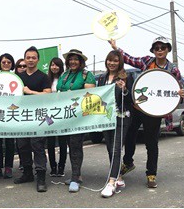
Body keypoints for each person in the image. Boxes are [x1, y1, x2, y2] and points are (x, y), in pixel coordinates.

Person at [109, 36, 184, 189]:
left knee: (151, 143)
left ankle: (151, 174)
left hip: (154, 113)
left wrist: (181, 95)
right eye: (157, 48)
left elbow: (178, 93)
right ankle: (128, 163)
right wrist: (116, 48)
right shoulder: (147, 62)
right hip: (137, 108)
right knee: (129, 136)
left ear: (168, 49)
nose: (160, 50)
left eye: (163, 47)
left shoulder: (173, 70)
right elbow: (128, 59)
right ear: (153, 51)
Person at [56, 49, 96, 193]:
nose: (73, 61)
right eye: (70, 59)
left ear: (81, 61)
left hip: (79, 117)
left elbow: (89, 96)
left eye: (76, 59)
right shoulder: (64, 75)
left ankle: (75, 178)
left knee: (76, 145)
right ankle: (76, 174)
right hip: (66, 116)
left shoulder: (87, 75)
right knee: (70, 146)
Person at [14, 47, 51, 192]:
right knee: (22, 146)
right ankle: (27, 173)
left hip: (38, 117)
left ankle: (41, 177)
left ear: (38, 60)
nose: (30, 60)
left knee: (38, 146)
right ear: (24, 59)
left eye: (33, 57)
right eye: (28, 57)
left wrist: (30, 92)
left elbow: (48, 94)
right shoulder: (18, 77)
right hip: (21, 117)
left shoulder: (43, 77)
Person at [97, 51, 133, 198]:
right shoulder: (102, 78)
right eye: (109, 61)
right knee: (110, 147)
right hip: (106, 117)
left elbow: (130, 97)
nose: (112, 63)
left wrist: (124, 89)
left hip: (121, 117)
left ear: (120, 63)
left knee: (117, 148)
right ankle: (118, 176)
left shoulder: (126, 77)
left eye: (115, 61)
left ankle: (111, 183)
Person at [0, 53, 17, 179]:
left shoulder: (16, 78)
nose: (6, 64)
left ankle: (8, 167)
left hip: (12, 113)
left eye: (9, 62)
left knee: (9, 142)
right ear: (0, 64)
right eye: (3, 62)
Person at [46, 57, 68, 178]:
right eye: (52, 65)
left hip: (62, 114)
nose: (54, 67)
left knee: (62, 142)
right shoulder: (46, 79)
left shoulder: (64, 79)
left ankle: (61, 167)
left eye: (57, 65)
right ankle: (53, 167)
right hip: (48, 114)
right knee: (50, 142)